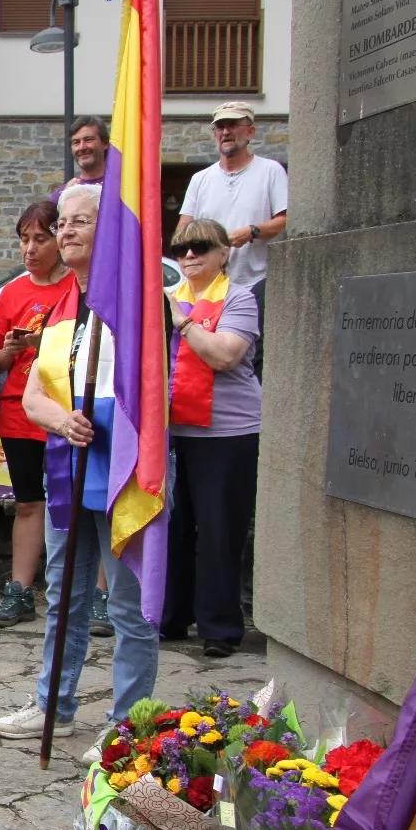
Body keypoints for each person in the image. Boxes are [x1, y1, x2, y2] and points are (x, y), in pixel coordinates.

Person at [0, 184, 159, 743]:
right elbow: (34, 394)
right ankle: (52, 706)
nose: (66, 231)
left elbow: (164, 383)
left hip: (126, 463)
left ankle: (125, 728)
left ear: (108, 231)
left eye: (81, 221)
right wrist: (62, 423)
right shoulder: (62, 306)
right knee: (65, 593)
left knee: (130, 607)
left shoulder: (138, 297)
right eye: (63, 221)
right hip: (70, 458)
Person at [161, 218, 261, 658]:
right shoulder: (165, 298)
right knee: (173, 527)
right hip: (170, 428)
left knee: (220, 529)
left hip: (227, 431)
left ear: (224, 253)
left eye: (200, 247)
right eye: (181, 248)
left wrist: (182, 323)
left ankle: (219, 627)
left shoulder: (239, 298)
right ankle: (170, 617)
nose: (189, 256)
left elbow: (224, 355)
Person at [0, 201, 76, 627]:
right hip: (20, 409)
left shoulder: (78, 287)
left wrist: (43, 344)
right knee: (27, 503)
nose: (30, 248)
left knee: (79, 503)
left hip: (69, 410)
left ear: (59, 239)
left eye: (40, 238)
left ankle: (95, 595)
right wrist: (10, 351)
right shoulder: (14, 292)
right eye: (24, 240)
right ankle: (19, 591)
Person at [176, 101, 287, 380]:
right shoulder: (201, 179)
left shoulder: (270, 171)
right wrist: (201, 243)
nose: (225, 132)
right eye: (220, 127)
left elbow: (286, 220)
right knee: (204, 355)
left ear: (250, 132)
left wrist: (252, 231)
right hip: (209, 286)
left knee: (251, 357)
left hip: (255, 282)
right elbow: (183, 228)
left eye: (232, 125)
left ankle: (251, 414)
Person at [50, 117, 111, 201]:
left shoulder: (123, 189)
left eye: (88, 140)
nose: (81, 147)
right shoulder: (61, 195)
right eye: (76, 142)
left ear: (105, 143)